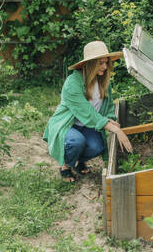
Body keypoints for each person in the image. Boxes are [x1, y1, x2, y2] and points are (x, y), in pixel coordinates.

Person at [43, 41, 133, 182]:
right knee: (76, 141)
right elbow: (87, 113)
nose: (104, 66)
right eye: (100, 63)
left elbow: (108, 106)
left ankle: (78, 161)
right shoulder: (73, 83)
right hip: (68, 125)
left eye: (106, 63)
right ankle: (66, 166)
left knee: (97, 147)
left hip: (87, 125)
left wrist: (111, 120)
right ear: (89, 64)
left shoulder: (103, 81)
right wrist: (115, 130)